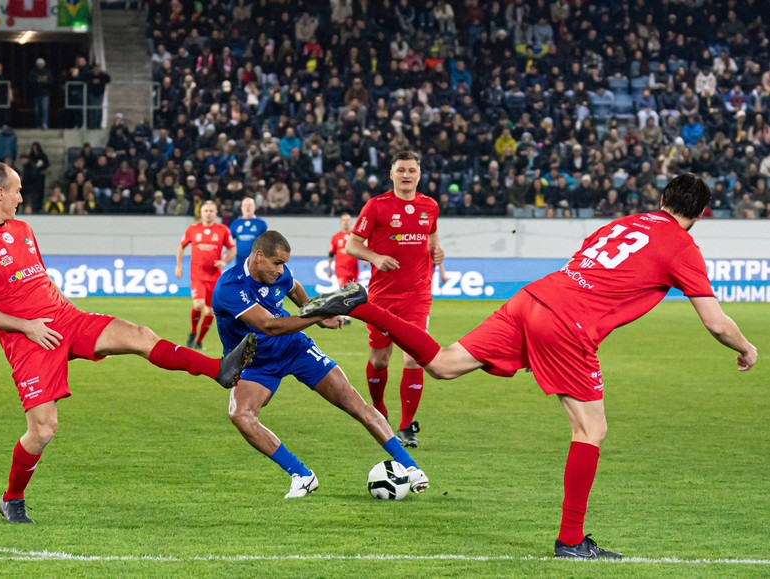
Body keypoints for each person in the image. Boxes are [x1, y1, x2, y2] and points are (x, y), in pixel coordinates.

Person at [302, 173, 758, 559]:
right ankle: (572, 540)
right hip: (569, 323)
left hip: (534, 297)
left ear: (661, 200)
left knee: (442, 364)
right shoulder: (681, 244)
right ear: (700, 214)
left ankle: (362, 305)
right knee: (590, 431)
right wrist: (746, 348)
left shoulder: (624, 222)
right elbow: (716, 322)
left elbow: (582, 260)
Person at [0, 163, 256, 524]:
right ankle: (12, 498)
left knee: (140, 335)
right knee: (44, 430)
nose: (21, 197)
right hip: (29, 341)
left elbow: (38, 277)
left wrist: (66, 308)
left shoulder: (23, 228)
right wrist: (28, 327)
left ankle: (219, 369)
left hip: (66, 320)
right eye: (17, 190)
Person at [212, 230, 429, 498]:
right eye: (277, 263)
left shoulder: (281, 274)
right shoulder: (230, 287)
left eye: (284, 264)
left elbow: (294, 289)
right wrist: (319, 313)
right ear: (259, 257)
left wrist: (312, 307)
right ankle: (302, 475)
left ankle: (411, 467)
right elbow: (269, 325)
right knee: (240, 414)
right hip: (255, 363)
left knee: (354, 403)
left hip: (294, 348)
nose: (282, 270)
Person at [345, 150, 443, 448]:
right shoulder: (377, 206)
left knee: (414, 357)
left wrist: (437, 253)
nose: (406, 175)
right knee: (380, 358)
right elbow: (352, 245)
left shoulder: (430, 206)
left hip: (417, 296)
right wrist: (375, 256)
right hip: (382, 296)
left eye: (411, 170)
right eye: (401, 170)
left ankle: (407, 427)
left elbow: (432, 241)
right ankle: (379, 411)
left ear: (419, 174)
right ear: (392, 174)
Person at [175, 200, 236, 349]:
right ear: (201, 213)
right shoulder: (192, 229)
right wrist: (178, 265)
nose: (208, 213)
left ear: (216, 213)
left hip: (214, 276)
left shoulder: (222, 230)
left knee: (210, 311)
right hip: (197, 274)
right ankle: (192, 331)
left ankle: (199, 341)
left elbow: (233, 249)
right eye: (206, 211)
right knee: (198, 304)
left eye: (211, 211)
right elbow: (181, 246)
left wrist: (224, 261)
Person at [229, 197, 268, 267]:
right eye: (245, 205)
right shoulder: (236, 223)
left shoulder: (261, 223)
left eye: (250, 205)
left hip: (257, 262)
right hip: (239, 261)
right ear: (241, 208)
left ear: (254, 207)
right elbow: (228, 239)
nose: (247, 207)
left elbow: (266, 242)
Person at [27, 58, 54, 129]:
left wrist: (45, 82)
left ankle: (44, 123)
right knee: (37, 111)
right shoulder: (33, 72)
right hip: (36, 94)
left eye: (41, 64)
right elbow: (30, 82)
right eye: (39, 64)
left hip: (45, 94)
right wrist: (37, 81)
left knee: (45, 109)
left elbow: (51, 82)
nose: (40, 65)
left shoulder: (47, 72)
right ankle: (38, 124)